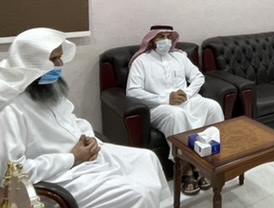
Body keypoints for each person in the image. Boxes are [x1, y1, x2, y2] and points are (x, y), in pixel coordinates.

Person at [0, 27, 169, 208]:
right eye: (54, 59)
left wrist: (90, 139)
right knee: (138, 194)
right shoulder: (9, 107)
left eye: (60, 57)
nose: (60, 64)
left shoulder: (45, 88)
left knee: (147, 158)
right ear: (31, 63)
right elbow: (11, 174)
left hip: (83, 156)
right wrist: (72, 157)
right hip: (58, 175)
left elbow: (72, 120)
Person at [126, 25, 224, 196]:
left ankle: (208, 160)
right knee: (176, 115)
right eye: (161, 37)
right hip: (159, 107)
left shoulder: (179, 56)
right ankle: (185, 167)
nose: (165, 41)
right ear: (152, 40)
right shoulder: (141, 61)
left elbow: (198, 76)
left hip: (188, 100)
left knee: (213, 107)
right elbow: (132, 91)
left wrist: (187, 93)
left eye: (168, 37)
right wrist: (166, 99)